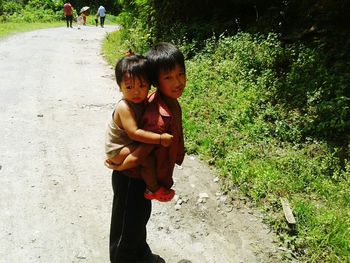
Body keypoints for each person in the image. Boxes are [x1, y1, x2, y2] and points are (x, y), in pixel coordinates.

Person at [106, 42, 186, 263]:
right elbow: (143, 152)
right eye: (168, 77)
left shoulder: (170, 103)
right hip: (131, 176)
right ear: (156, 81)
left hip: (139, 176)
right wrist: (122, 165)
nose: (177, 82)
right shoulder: (156, 117)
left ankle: (141, 255)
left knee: (138, 220)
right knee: (126, 229)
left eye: (181, 74)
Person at [105, 53, 175, 202]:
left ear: (149, 85)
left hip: (127, 145)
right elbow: (134, 133)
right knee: (145, 159)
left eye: (142, 86)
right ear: (119, 87)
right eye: (129, 87)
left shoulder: (143, 102)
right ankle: (154, 189)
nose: (136, 92)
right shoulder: (124, 106)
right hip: (117, 149)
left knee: (147, 157)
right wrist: (160, 139)